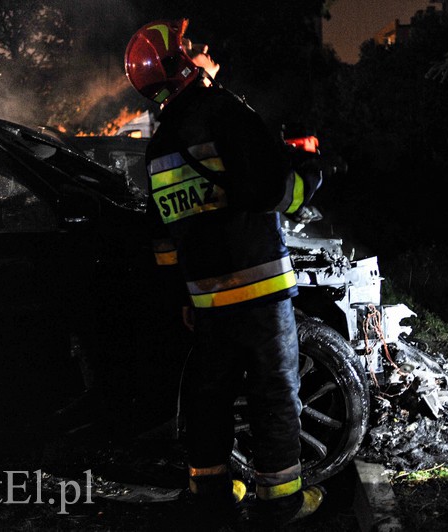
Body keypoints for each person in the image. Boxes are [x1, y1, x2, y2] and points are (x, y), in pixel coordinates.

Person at [124, 19, 325, 526]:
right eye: (191, 47)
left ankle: (211, 494)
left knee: (209, 396)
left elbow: (164, 237)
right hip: (260, 289)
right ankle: (281, 501)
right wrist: (310, 172)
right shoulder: (224, 110)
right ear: (180, 67)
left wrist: (183, 297)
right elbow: (271, 190)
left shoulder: (158, 146)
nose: (204, 49)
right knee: (274, 393)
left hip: (206, 301)